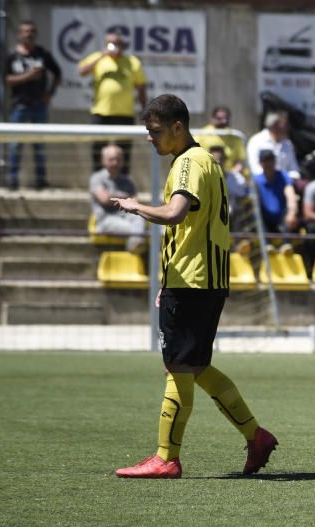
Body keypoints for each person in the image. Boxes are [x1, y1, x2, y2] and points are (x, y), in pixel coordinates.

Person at [111, 94, 277, 479]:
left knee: (178, 368)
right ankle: (256, 436)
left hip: (193, 280)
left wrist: (136, 206)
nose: (150, 139)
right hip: (204, 279)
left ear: (178, 128)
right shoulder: (207, 161)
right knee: (198, 366)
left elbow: (175, 213)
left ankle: (166, 457)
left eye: (155, 131)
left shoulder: (188, 163)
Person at [77, 32, 147, 174]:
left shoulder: (132, 62)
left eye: (117, 43)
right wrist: (102, 56)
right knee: (98, 150)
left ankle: (123, 183)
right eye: (110, 43)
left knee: (124, 151)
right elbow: (82, 71)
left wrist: (145, 110)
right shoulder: (98, 58)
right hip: (101, 112)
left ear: (122, 45)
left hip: (124, 113)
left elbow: (141, 87)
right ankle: (97, 182)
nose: (114, 46)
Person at [4, 20, 61, 190]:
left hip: (39, 106)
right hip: (19, 105)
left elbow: (57, 74)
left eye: (32, 31)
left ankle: (40, 181)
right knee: (15, 144)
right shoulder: (12, 55)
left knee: (39, 144)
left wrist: (49, 94)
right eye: (25, 31)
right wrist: (28, 76)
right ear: (19, 34)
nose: (29, 34)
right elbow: (7, 80)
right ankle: (12, 181)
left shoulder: (42, 54)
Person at [89, 144, 146, 254]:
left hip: (126, 217)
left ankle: (135, 246)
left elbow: (136, 203)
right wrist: (124, 196)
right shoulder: (97, 178)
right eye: (111, 159)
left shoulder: (128, 180)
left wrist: (114, 196)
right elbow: (104, 199)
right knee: (138, 231)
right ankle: (135, 249)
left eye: (118, 159)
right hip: (106, 220)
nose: (115, 163)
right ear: (103, 160)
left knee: (139, 219)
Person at [254, 149, 300, 234]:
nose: (268, 163)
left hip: (283, 219)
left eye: (271, 160)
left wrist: (292, 212)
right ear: (260, 163)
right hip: (265, 221)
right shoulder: (255, 180)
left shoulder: (283, 176)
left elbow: (290, 195)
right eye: (265, 161)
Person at [247, 111, 301, 179]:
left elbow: (294, 170)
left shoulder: (288, 144)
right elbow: (255, 169)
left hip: (285, 183)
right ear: (274, 125)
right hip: (263, 184)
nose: (288, 128)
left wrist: (285, 179)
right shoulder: (256, 141)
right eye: (285, 124)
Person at [196, 105, 248, 176]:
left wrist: (229, 176)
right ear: (212, 119)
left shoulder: (235, 136)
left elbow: (240, 162)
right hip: (206, 175)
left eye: (226, 118)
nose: (224, 121)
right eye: (219, 118)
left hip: (230, 176)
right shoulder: (200, 135)